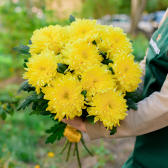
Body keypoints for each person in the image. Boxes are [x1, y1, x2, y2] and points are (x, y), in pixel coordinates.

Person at [62, 8, 168, 168]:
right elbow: (149, 67)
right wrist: (109, 84)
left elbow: (164, 106)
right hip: (147, 146)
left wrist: (95, 126)